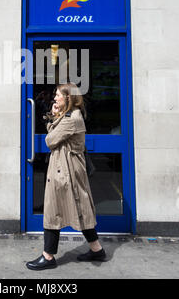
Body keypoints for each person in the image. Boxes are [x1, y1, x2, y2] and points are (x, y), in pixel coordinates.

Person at [26, 83, 106, 271]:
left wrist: (52, 117)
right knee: (79, 208)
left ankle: (48, 257)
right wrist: (54, 116)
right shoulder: (69, 116)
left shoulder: (71, 119)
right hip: (67, 169)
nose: (55, 98)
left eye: (58, 95)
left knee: (54, 210)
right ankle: (97, 249)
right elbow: (53, 131)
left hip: (66, 171)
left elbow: (50, 140)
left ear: (68, 98)